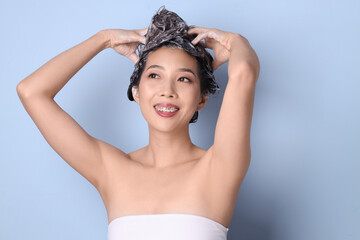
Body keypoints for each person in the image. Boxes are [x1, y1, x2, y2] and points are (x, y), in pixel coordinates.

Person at [16, 6, 259, 240]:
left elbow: (244, 73)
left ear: (202, 99)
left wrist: (235, 41)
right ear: (137, 92)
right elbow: (31, 92)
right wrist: (104, 39)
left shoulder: (220, 168)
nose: (167, 91)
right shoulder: (111, 170)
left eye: (184, 79)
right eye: (155, 75)